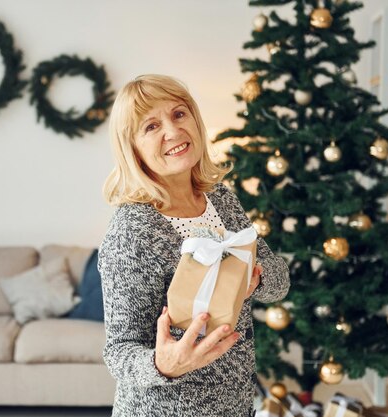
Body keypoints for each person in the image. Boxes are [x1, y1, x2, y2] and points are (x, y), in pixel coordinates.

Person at [98, 74, 290, 417]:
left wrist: (255, 279)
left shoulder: (221, 201)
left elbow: (279, 283)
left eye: (178, 114)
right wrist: (165, 365)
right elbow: (119, 351)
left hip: (234, 406)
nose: (172, 132)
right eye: (151, 126)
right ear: (134, 149)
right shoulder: (131, 232)